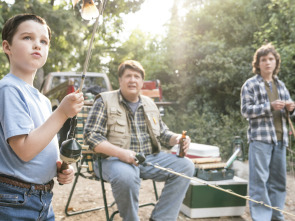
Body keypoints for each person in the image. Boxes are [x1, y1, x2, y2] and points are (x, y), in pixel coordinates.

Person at [84, 60, 195, 221]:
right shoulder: (104, 100)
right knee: (126, 176)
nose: (132, 80)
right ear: (120, 80)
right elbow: (91, 136)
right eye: (128, 76)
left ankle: (161, 218)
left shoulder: (150, 104)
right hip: (111, 160)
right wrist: (122, 154)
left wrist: (178, 138)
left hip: (147, 159)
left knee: (186, 166)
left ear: (142, 82)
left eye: (137, 76)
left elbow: (163, 134)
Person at [0, 14, 84, 220]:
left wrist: (61, 168)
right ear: (7, 47)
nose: (37, 45)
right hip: (14, 200)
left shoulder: (43, 100)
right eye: (27, 37)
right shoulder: (9, 89)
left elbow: (42, 145)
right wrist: (63, 112)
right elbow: (26, 150)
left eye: (43, 41)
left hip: (43, 198)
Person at [241, 43, 295, 221]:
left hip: (280, 140)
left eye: (271, 59)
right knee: (259, 183)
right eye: (263, 60)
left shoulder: (280, 85)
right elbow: (245, 111)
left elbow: (289, 112)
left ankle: (276, 216)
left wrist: (291, 108)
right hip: (260, 140)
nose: (268, 63)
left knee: (279, 183)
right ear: (258, 64)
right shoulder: (250, 85)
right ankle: (261, 218)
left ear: (275, 62)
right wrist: (268, 107)